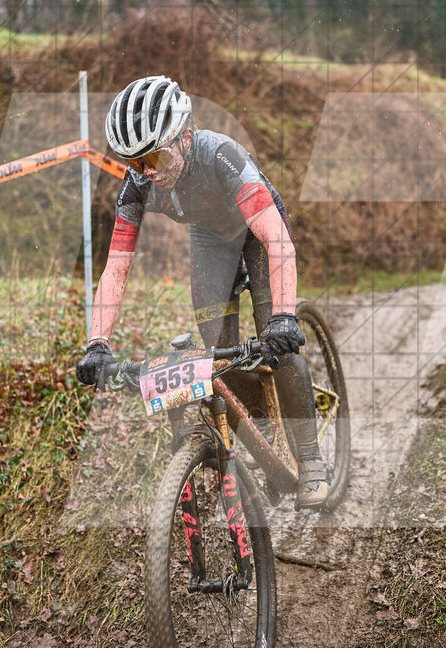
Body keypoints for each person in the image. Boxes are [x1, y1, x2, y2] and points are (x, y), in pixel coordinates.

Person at [75, 75, 329, 506]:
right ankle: (264, 423)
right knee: (221, 356)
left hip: (257, 229)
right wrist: (97, 342)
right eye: (136, 163)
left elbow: (275, 238)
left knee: (278, 342)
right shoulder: (137, 186)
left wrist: (285, 316)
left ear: (186, 136)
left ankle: (311, 461)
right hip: (211, 240)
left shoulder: (221, 156)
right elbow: (116, 267)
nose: (148, 172)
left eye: (153, 156)